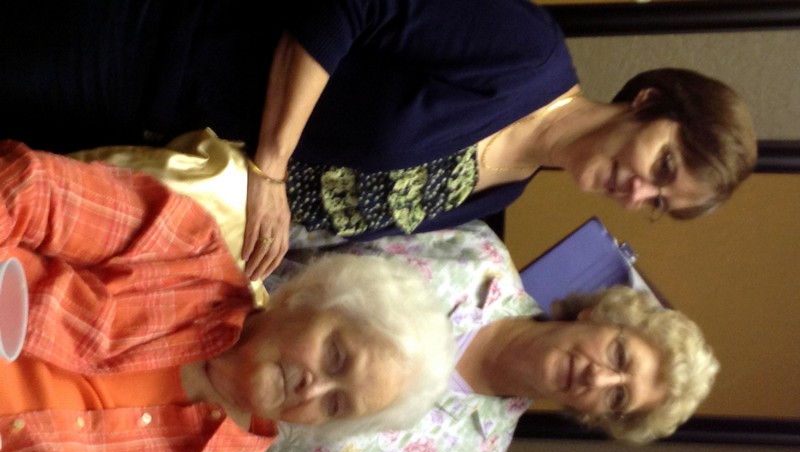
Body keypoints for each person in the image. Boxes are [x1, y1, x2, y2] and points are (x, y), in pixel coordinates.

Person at [0, 0, 757, 280]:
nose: (640, 191)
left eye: (659, 203)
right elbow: (353, 4)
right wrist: (270, 167)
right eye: (663, 164)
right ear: (648, 102)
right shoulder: (525, 53)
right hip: (145, 56)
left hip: (133, 170)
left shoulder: (496, 200)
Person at [0, 141, 454, 452]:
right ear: (307, 298)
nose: (313, 387)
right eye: (335, 356)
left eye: (336, 404)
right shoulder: (186, 250)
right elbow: (29, 189)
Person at [220, 220, 719, 452]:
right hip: (211, 300)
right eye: (618, 355)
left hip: (206, 430)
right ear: (599, 316)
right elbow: (307, 232)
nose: (600, 378)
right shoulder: (477, 255)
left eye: (617, 399)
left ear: (595, 416)